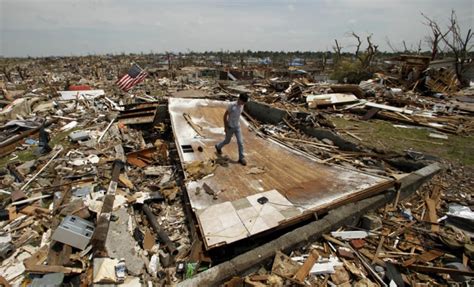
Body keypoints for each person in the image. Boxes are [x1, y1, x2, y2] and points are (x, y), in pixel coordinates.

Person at [215, 93, 249, 165]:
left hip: (237, 127)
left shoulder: (242, 106)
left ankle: (241, 158)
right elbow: (225, 116)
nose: (243, 103)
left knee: (240, 142)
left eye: (244, 102)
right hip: (230, 127)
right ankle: (218, 146)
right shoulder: (231, 105)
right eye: (243, 102)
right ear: (239, 99)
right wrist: (225, 127)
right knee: (227, 141)